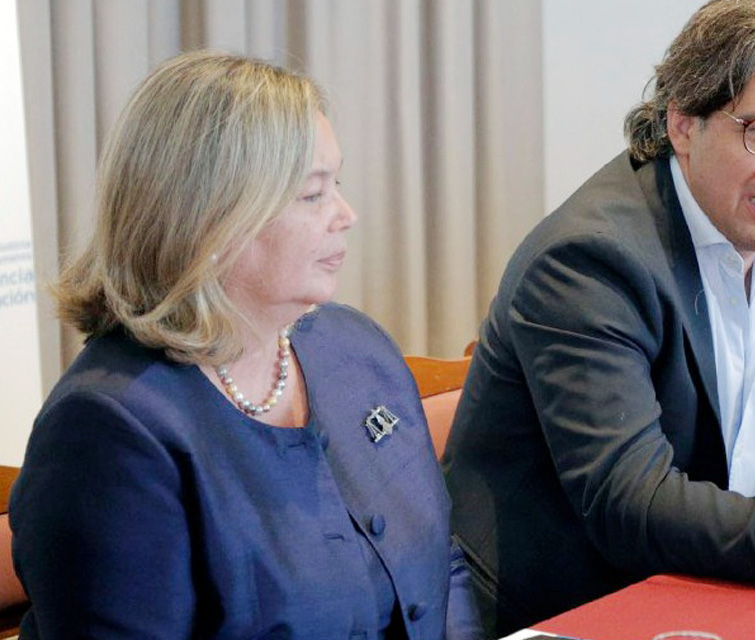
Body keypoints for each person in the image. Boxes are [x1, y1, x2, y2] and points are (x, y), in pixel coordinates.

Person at [441, 0, 755, 636]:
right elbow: (632, 502)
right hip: (571, 607)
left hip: (722, 586)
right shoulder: (589, 260)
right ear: (683, 124)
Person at [10, 51, 479, 639]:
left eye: (336, 184)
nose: (346, 215)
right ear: (212, 218)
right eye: (312, 195)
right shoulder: (108, 432)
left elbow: (441, 566)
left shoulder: (354, 347)